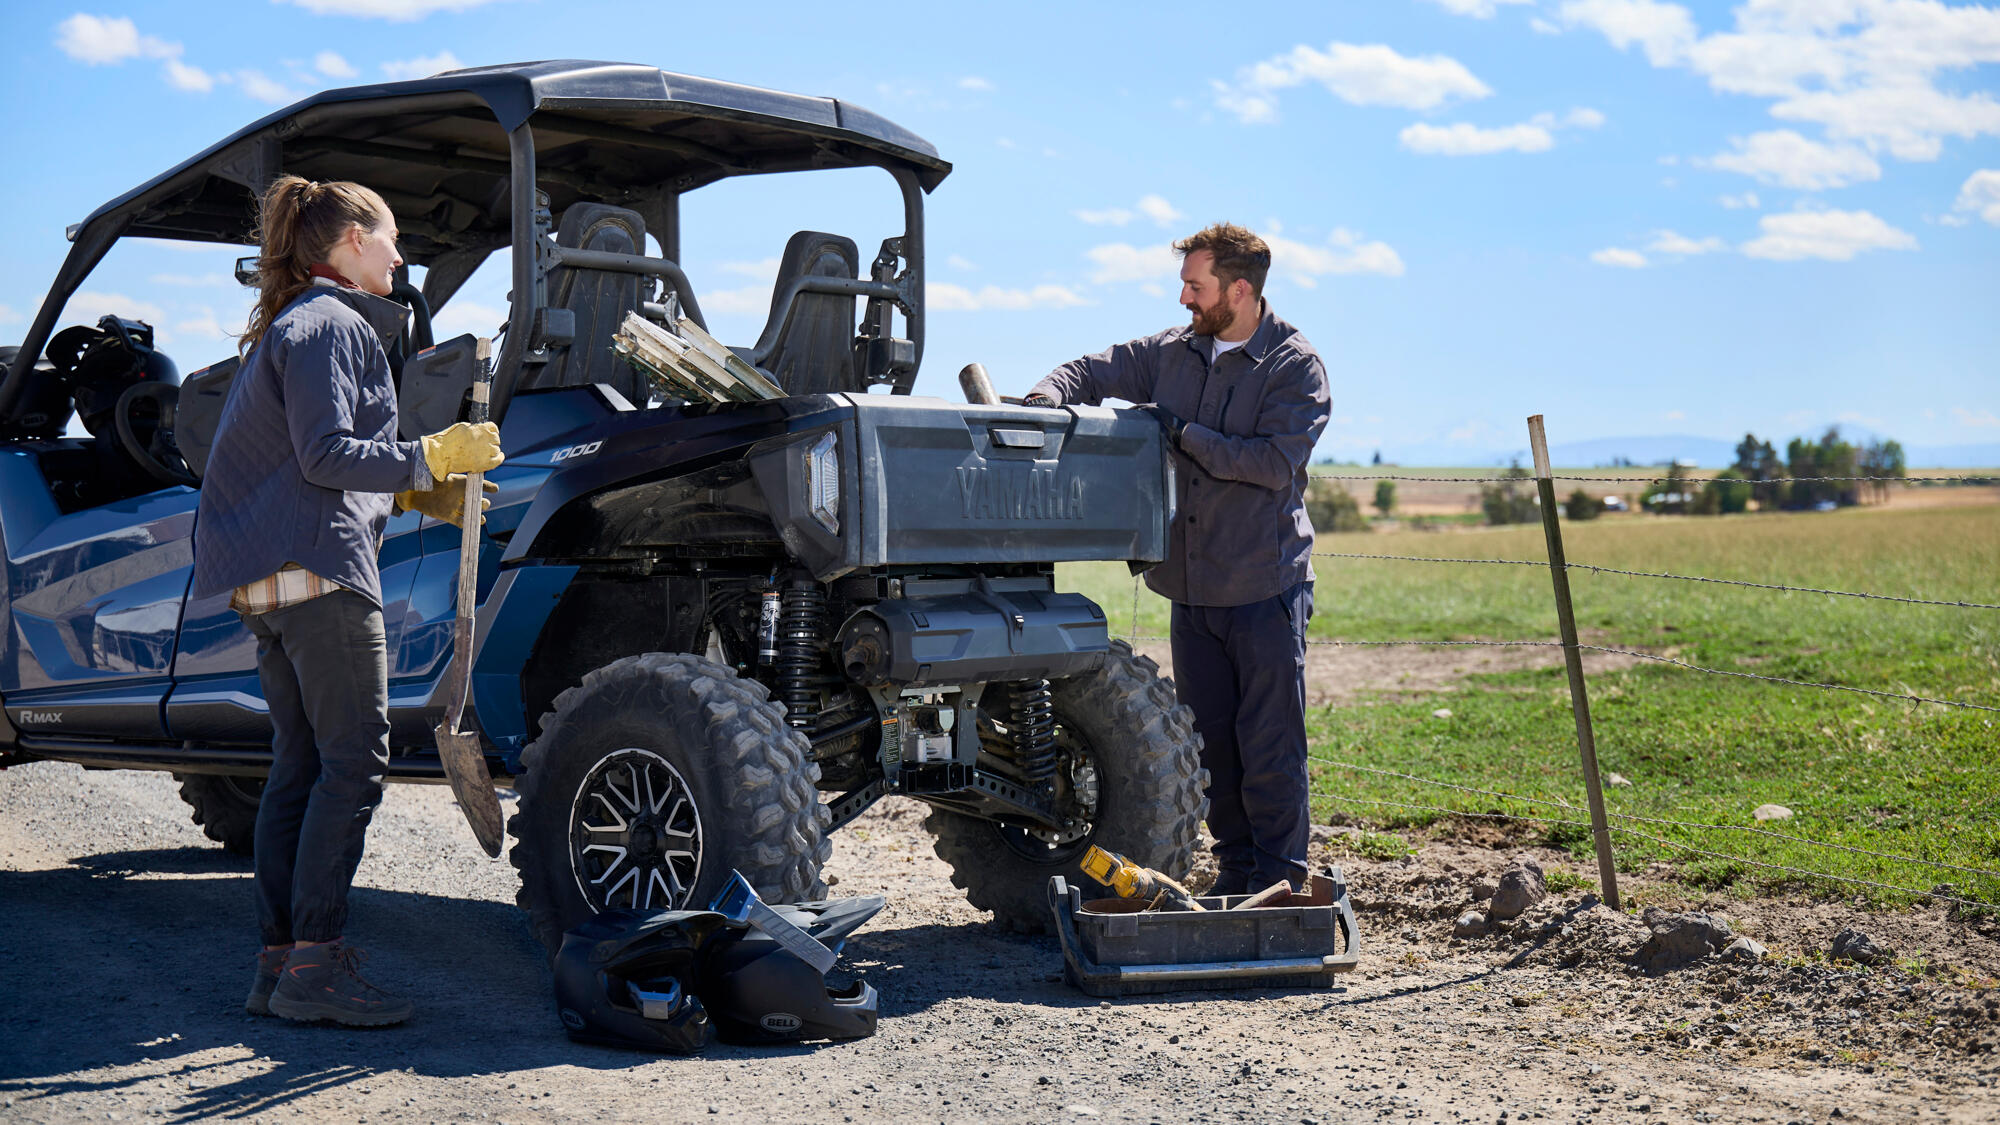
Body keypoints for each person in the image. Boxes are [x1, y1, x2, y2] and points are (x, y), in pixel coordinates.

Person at [190, 176, 504, 1026]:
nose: (401, 256)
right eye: (392, 236)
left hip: (272, 582)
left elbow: (310, 463)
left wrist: (412, 490)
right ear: (350, 240)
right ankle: (316, 968)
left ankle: (281, 964)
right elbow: (330, 453)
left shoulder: (291, 326)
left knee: (301, 766)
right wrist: (428, 456)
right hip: (321, 576)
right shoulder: (332, 323)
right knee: (356, 761)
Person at [1026, 222, 1330, 896]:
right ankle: (1237, 874)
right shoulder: (1172, 352)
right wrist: (1048, 398)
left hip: (1264, 587)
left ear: (1240, 290)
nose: (1184, 298)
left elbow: (1275, 464)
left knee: (1271, 749)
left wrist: (1184, 434)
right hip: (1192, 591)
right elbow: (1092, 369)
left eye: (1196, 286)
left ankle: (1280, 884)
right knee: (1212, 746)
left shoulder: (1293, 366)